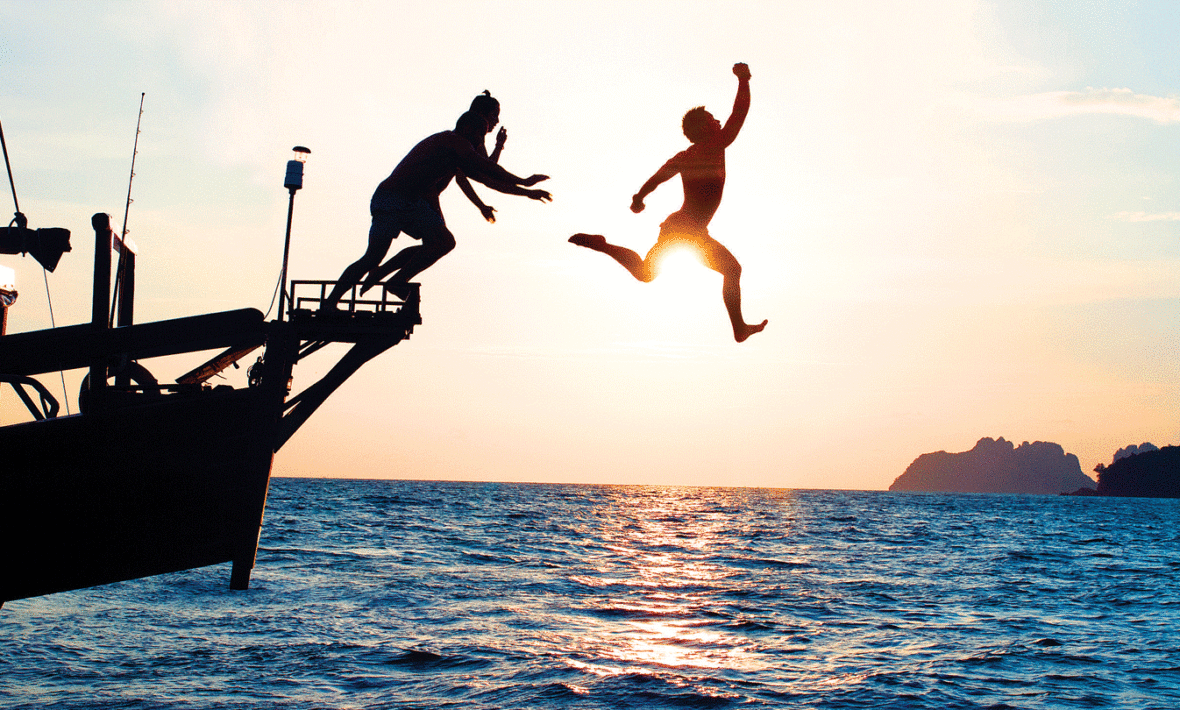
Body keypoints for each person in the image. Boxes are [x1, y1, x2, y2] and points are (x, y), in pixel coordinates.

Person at [569, 63, 767, 343]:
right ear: (704, 129)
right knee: (730, 270)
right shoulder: (715, 144)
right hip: (686, 230)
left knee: (646, 273)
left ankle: (602, 245)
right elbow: (738, 114)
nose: (718, 121)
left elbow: (658, 177)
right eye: (713, 119)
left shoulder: (684, 156)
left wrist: (640, 197)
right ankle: (738, 329)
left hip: (681, 228)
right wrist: (744, 79)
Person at [322, 110, 551, 309]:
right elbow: (486, 168)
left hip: (413, 204)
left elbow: (487, 178)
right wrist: (523, 181)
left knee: (442, 242)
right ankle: (331, 302)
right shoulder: (453, 141)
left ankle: (397, 281)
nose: (479, 141)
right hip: (391, 198)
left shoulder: (461, 151)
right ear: (467, 128)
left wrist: (526, 192)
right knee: (372, 258)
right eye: (478, 136)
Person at [359, 91, 510, 295]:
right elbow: (481, 174)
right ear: (482, 115)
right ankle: (390, 277)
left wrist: (481, 205)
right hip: (422, 197)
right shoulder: (463, 139)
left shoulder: (473, 139)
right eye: (494, 114)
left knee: (436, 244)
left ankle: (386, 274)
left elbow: (477, 172)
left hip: (428, 196)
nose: (497, 120)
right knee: (440, 243)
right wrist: (523, 186)